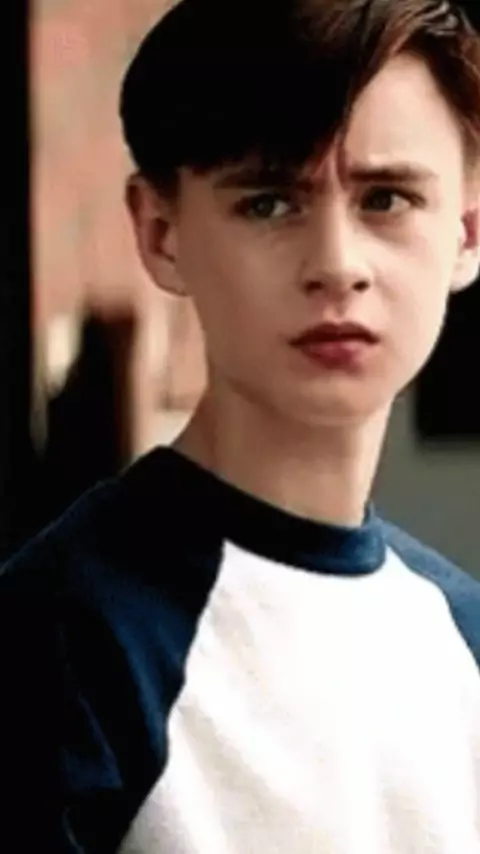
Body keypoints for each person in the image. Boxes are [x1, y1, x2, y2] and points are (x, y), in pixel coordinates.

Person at [2, 1, 480, 852]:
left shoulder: (463, 634)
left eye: (386, 198)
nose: (337, 264)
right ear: (161, 233)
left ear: (468, 233)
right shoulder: (59, 639)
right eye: (269, 203)